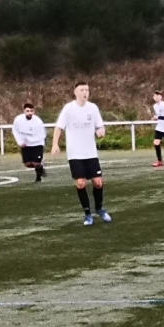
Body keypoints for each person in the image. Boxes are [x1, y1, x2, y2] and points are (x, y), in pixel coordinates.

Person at [54, 83, 112, 224]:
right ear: (75, 92)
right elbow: (59, 127)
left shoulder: (93, 108)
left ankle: (99, 208)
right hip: (75, 154)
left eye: (87, 90)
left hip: (91, 153)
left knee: (98, 182)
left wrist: (101, 131)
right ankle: (87, 214)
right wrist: (55, 144)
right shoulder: (68, 108)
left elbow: (100, 126)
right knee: (81, 183)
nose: (85, 92)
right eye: (82, 90)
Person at [11, 101, 48, 181]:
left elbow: (42, 134)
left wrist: (41, 144)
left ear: (34, 111)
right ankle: (40, 167)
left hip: (37, 144)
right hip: (26, 145)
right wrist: (20, 142)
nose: (30, 113)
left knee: (36, 163)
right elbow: (15, 131)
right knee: (28, 164)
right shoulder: (18, 120)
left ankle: (39, 177)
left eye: (31, 111)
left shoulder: (38, 121)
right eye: (27, 111)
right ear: (24, 111)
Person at [149, 90, 164, 168]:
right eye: (155, 96)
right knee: (156, 142)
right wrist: (156, 118)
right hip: (160, 126)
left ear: (161, 97)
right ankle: (160, 161)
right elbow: (159, 116)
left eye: (158, 95)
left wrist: (158, 117)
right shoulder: (155, 106)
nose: (156, 97)